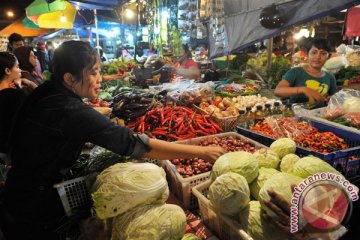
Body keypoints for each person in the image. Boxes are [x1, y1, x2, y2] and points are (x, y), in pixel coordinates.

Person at [0, 41, 226, 239]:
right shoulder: (68, 108)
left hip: (20, 192)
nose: (100, 79)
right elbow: (135, 145)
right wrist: (201, 152)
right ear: (69, 78)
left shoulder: (48, 92)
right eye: (93, 72)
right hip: (33, 207)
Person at [0, 52, 37, 187]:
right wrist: (27, 85)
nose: (20, 70)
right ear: (7, 70)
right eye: (17, 66)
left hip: (4, 156)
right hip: (21, 155)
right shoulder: (17, 95)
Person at [274, 38, 337, 107]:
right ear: (307, 54)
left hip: (320, 116)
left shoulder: (330, 77)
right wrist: (303, 89)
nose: (318, 57)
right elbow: (278, 91)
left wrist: (329, 99)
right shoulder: (295, 72)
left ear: (329, 56)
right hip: (295, 116)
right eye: (314, 52)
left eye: (323, 53)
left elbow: (334, 98)